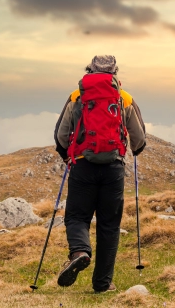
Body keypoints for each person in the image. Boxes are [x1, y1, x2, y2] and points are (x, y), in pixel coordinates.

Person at [54, 55, 146, 293]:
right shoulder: (123, 98)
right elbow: (140, 139)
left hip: (83, 166)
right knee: (109, 226)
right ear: (115, 72)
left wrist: (67, 155)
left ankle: (81, 251)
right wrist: (134, 150)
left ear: (89, 71)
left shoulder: (78, 96)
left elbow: (61, 136)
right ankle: (102, 284)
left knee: (76, 217)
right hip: (113, 169)